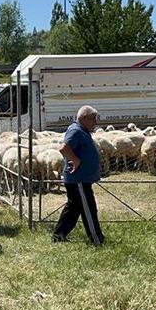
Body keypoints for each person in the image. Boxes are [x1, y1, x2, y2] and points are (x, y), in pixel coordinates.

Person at [52, 105, 105, 246]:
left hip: (79, 179)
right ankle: (96, 239)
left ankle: (59, 235)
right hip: (79, 179)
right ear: (84, 118)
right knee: (89, 208)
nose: (96, 122)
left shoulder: (81, 130)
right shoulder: (76, 131)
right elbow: (64, 148)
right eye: (93, 119)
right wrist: (76, 160)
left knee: (73, 208)